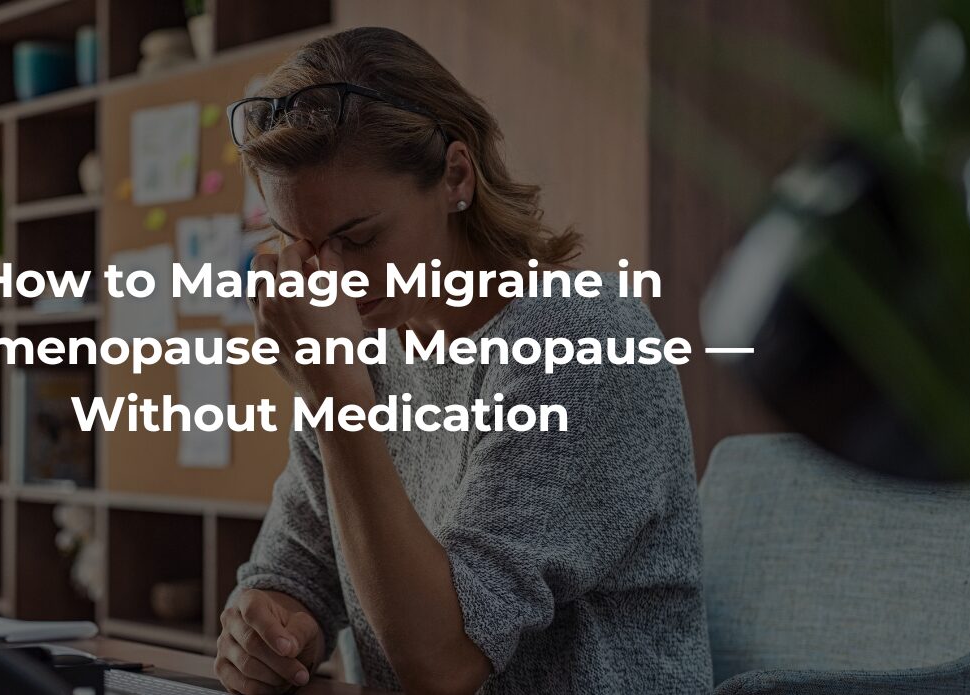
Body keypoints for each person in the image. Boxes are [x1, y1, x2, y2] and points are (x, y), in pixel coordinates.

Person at [216, 26, 711, 694]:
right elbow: (296, 572)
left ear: (455, 176)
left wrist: (334, 393)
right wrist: (267, 628)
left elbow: (444, 660)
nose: (325, 279)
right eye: (297, 243)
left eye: (356, 238)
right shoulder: (365, 350)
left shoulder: (583, 339)